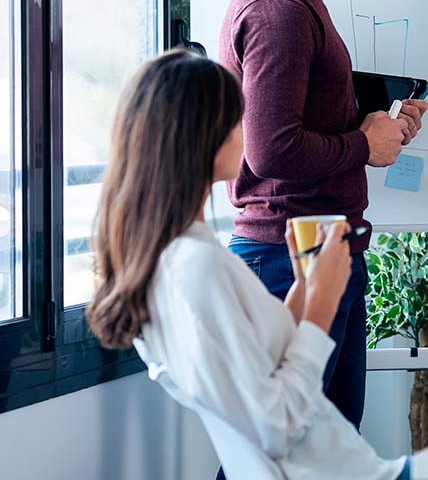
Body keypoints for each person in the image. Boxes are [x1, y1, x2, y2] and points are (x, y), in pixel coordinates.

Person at [86, 50, 410, 480]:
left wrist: (306, 289)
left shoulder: (184, 257)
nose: (247, 132)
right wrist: (323, 301)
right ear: (205, 136)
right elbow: (276, 426)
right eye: (237, 120)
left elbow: (264, 364)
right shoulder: (195, 268)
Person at [219, 0, 428, 434]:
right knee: (294, 449)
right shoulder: (279, 10)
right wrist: (366, 144)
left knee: (324, 450)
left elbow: (295, 114)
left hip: (316, 252)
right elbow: (272, 148)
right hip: (290, 258)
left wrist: (373, 119)